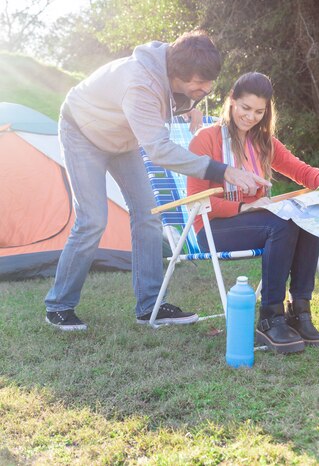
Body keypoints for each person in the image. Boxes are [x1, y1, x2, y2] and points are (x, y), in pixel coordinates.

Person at [45, 31, 270, 331]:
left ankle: (149, 305)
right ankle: (59, 305)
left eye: (209, 81)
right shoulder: (140, 83)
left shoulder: (176, 59)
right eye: (201, 84)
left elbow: (176, 94)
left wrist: (191, 106)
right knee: (93, 220)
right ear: (179, 74)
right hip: (83, 132)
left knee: (149, 215)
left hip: (122, 140)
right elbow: (159, 150)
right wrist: (223, 171)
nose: (207, 88)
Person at [188, 72, 319, 354]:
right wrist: (245, 206)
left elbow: (301, 170)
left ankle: (300, 312)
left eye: (259, 111)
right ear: (231, 101)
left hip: (255, 222)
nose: (251, 117)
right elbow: (196, 201)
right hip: (212, 227)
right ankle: (270, 317)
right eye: (245, 108)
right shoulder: (206, 140)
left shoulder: (263, 142)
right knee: (281, 224)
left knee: (305, 219)